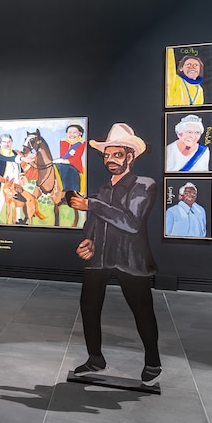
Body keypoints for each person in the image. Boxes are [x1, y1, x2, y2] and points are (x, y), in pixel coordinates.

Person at [68, 123, 162, 386]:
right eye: (107, 155)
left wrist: (92, 204)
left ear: (131, 156)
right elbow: (96, 223)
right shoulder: (104, 189)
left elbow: (131, 222)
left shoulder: (145, 185)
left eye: (117, 154)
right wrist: (86, 241)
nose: (110, 160)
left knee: (142, 311)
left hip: (130, 260)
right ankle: (95, 358)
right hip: (99, 258)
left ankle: (153, 362)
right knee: (88, 307)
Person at [0, 134, 29, 224]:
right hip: (4, 179)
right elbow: (4, 158)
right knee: (3, 196)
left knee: (17, 197)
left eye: (9, 141)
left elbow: (18, 166)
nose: (7, 144)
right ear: (0, 142)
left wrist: (22, 174)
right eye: (4, 141)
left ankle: (18, 219)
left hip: (16, 180)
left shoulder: (14, 152)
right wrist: (21, 158)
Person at [55, 123, 86, 193]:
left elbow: (77, 158)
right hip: (63, 164)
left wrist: (65, 161)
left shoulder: (81, 143)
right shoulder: (63, 142)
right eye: (69, 132)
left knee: (70, 170)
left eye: (74, 132)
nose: (72, 134)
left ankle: (71, 190)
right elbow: (63, 155)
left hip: (75, 165)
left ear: (80, 133)